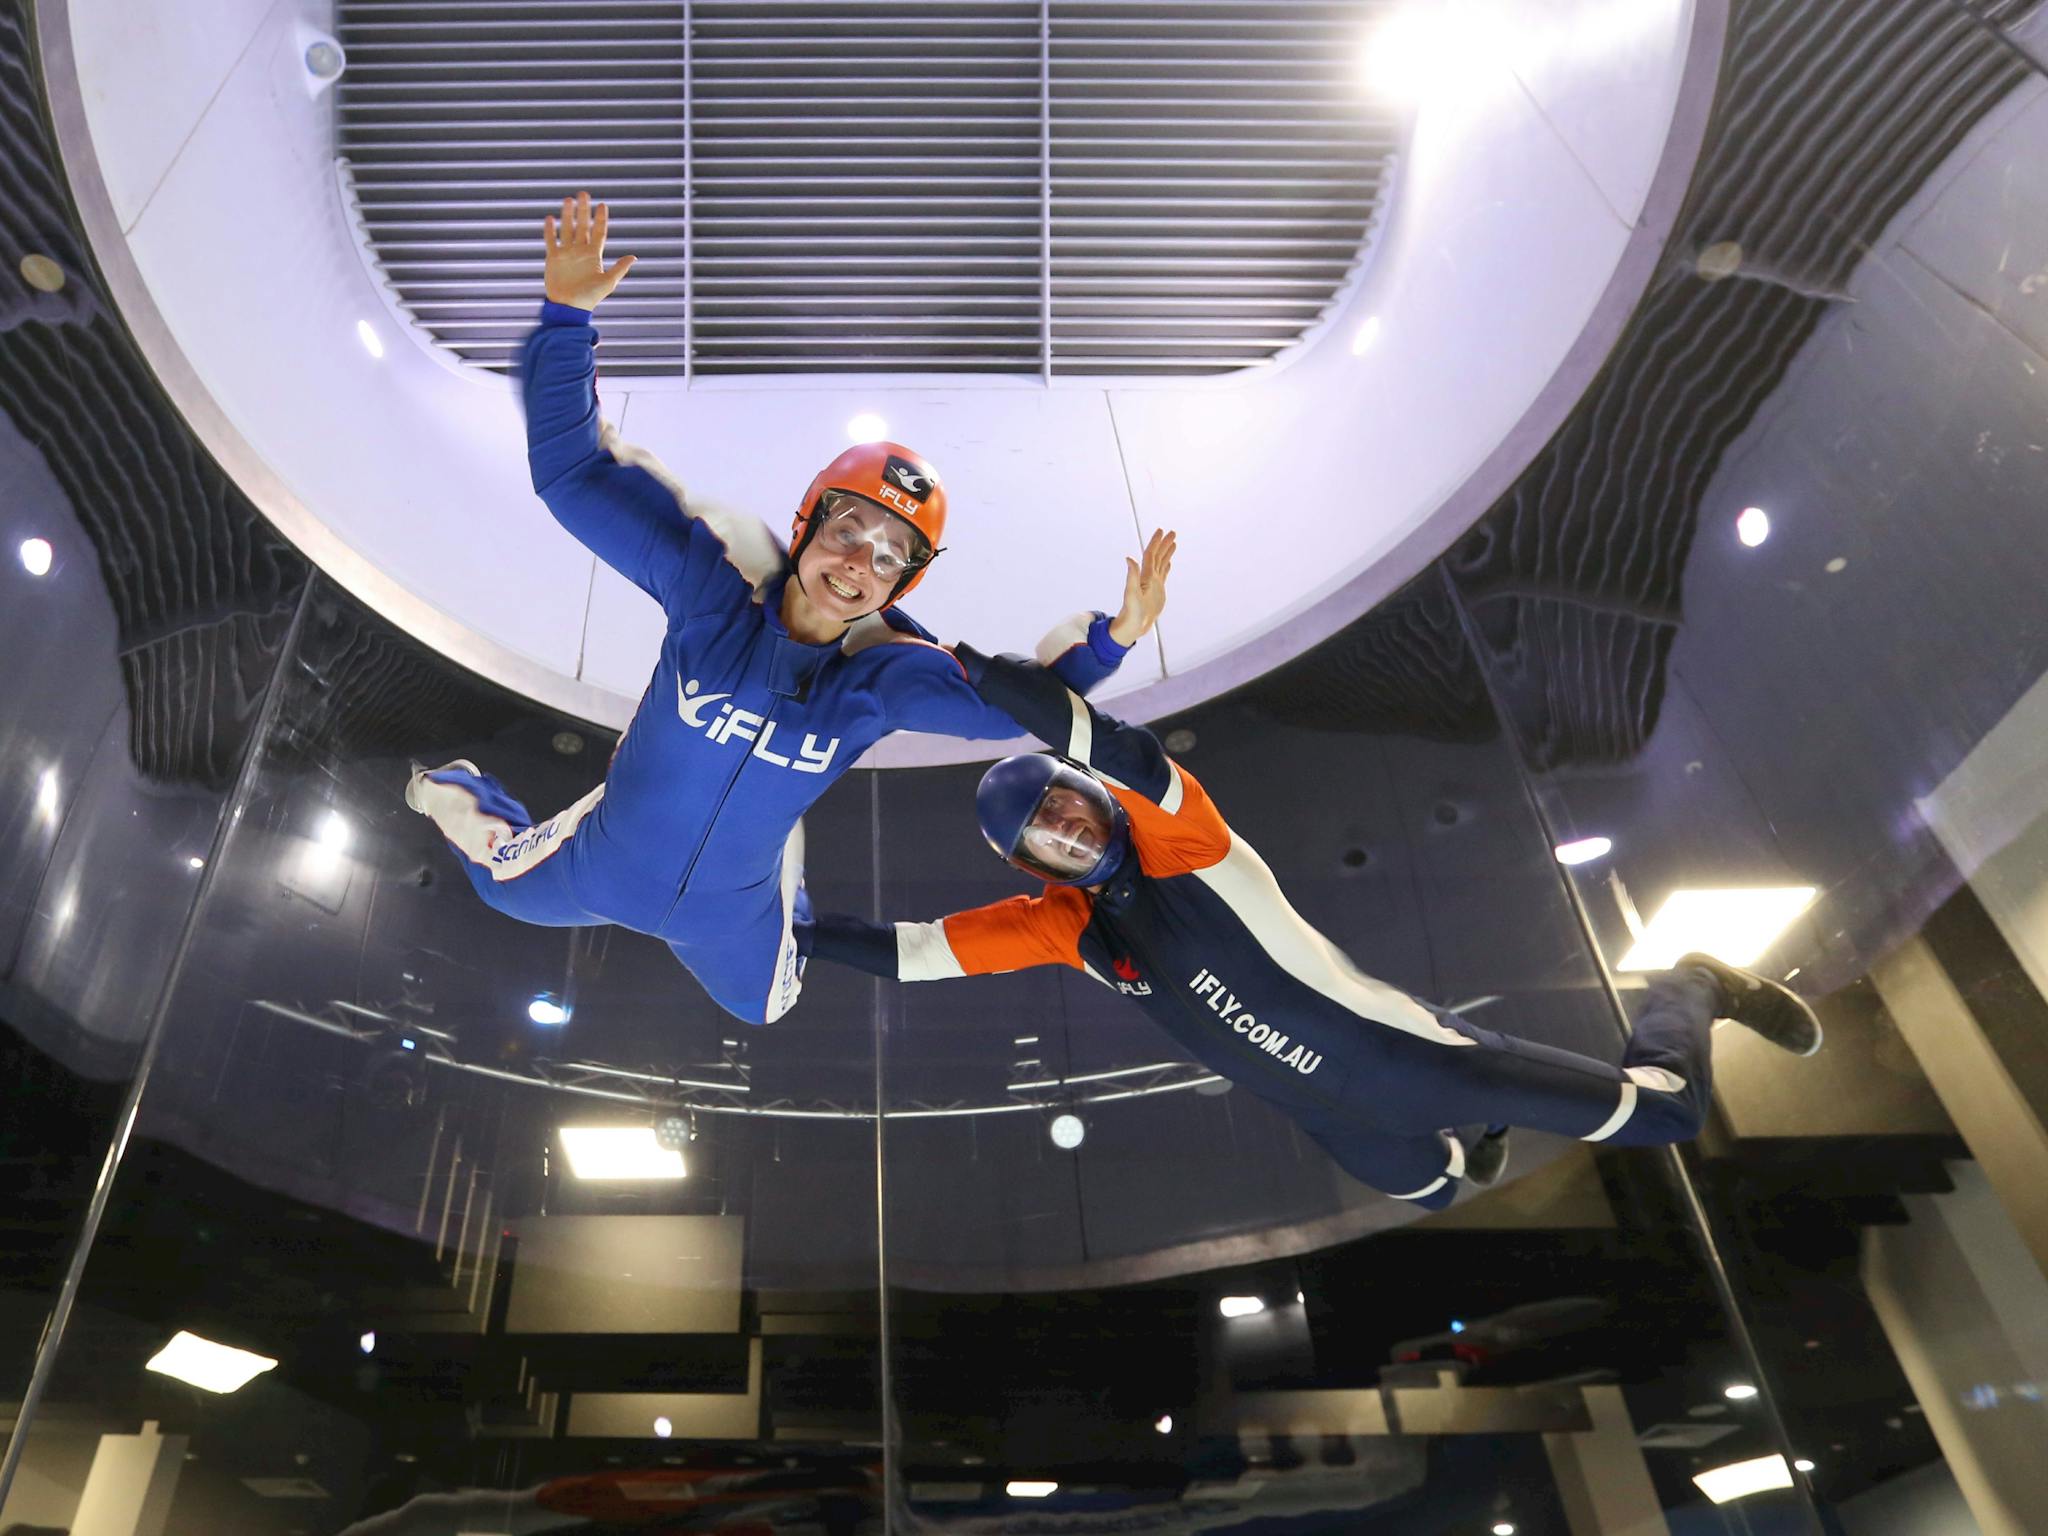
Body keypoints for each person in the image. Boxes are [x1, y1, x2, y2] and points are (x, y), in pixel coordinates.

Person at [405, 191, 1172, 1024]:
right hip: (600, 861)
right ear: (807, 524)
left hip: (728, 916)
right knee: (498, 886)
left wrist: (1114, 640)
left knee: (767, 1010)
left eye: (890, 557)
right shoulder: (712, 593)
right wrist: (564, 321)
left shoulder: (886, 680)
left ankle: (784, 878)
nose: (859, 564)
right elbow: (573, 478)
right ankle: (444, 787)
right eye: (850, 528)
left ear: (902, 586)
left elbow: (1008, 715)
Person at [798, 639, 1824, 1211]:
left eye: (1062, 801)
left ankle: (1694, 981)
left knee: (1670, 1119)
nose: (1064, 827)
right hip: (1335, 1117)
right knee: (1436, 1190)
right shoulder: (1070, 927)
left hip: (1428, 1065)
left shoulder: (1183, 842)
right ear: (1032, 864)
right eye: (1042, 835)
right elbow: (919, 954)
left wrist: (951, 663)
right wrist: (798, 933)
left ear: (1089, 795)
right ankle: (1475, 1149)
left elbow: (1090, 733)